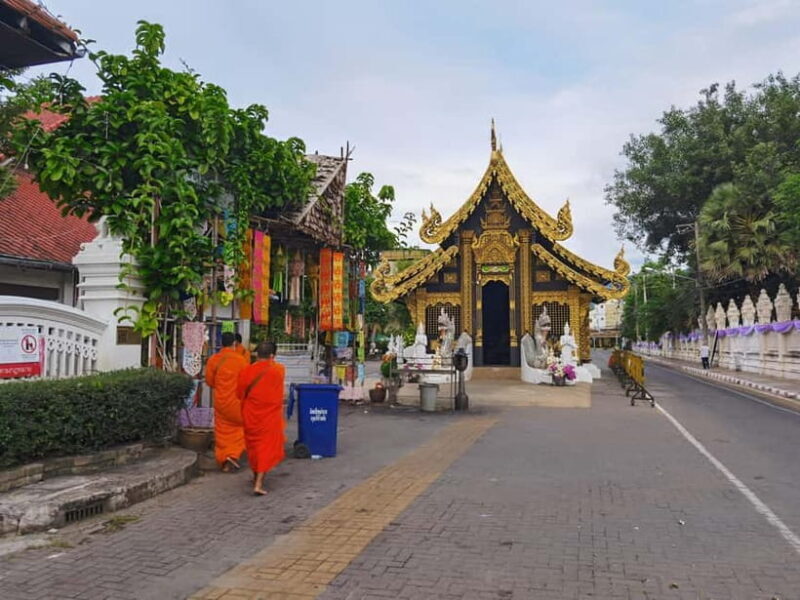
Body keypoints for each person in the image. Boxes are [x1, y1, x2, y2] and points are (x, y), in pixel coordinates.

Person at [238, 341, 286, 496]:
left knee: (253, 447)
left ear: (256, 354)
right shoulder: (278, 370)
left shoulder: (246, 371)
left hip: (251, 414)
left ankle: (255, 476)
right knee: (266, 447)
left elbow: (239, 393)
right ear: (272, 356)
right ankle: (258, 483)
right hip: (269, 416)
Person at [205, 332, 248, 472]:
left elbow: (209, 381)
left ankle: (225, 458)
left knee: (222, 431)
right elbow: (246, 383)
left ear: (221, 343)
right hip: (237, 403)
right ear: (234, 343)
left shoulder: (214, 360)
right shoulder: (241, 360)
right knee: (240, 429)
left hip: (221, 402)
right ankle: (233, 455)